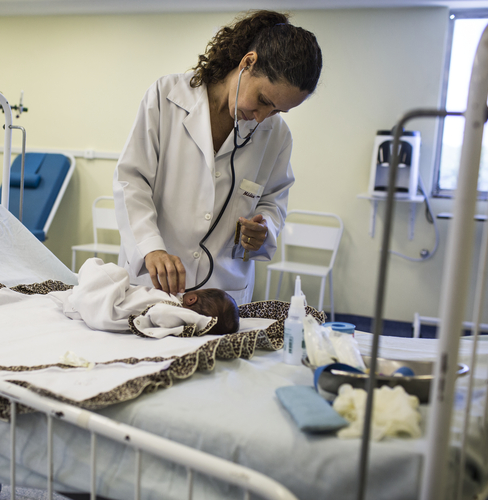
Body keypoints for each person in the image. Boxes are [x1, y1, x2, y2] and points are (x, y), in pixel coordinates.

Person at [113, 10, 322, 305]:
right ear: (247, 63)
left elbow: (273, 202)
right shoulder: (166, 97)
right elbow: (132, 181)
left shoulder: (276, 135)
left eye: (277, 110)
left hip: (224, 290)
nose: (262, 117)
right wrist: (150, 247)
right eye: (263, 100)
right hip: (153, 282)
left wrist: (264, 230)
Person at [49, 258, 239, 336]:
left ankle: (84, 294)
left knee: (112, 273)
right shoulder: (175, 310)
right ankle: (83, 296)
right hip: (104, 307)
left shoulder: (172, 309)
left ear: (191, 299)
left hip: (109, 309)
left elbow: (160, 314)